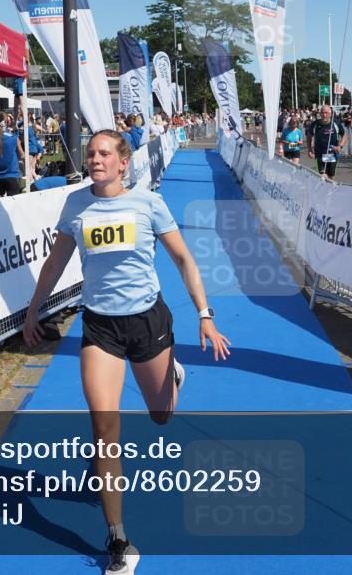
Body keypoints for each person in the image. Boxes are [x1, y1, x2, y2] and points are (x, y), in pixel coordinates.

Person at [22, 130, 230, 575]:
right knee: (103, 426)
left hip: (148, 323)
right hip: (99, 326)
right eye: (90, 153)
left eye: (103, 154)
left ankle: (170, 376)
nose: (94, 159)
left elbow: (183, 260)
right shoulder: (76, 204)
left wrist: (205, 314)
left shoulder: (147, 203)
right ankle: (118, 538)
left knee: (161, 415)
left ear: (122, 162)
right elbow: (56, 262)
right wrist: (33, 311)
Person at [0, 110, 24, 196]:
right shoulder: (13, 138)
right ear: (6, 122)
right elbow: (22, 155)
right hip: (12, 174)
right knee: (13, 207)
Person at [307, 105, 347, 180]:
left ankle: (331, 190)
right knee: (323, 176)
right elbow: (309, 136)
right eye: (322, 113)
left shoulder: (336, 123)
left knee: (331, 177)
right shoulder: (315, 124)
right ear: (320, 114)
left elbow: (344, 135)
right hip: (320, 154)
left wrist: (340, 146)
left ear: (330, 114)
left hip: (332, 155)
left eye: (326, 113)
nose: (324, 115)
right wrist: (309, 149)